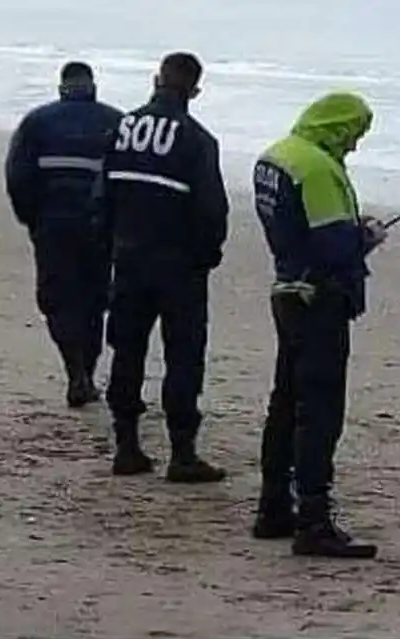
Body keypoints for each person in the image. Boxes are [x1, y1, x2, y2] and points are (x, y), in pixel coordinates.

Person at [249, 92, 390, 558]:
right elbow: (333, 247)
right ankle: (313, 519)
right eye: (353, 134)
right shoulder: (317, 168)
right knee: (320, 410)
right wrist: (366, 236)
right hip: (319, 300)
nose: (353, 146)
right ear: (336, 125)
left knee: (285, 402)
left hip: (286, 289)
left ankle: (272, 507)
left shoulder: (277, 155)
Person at [97, 52, 229, 482]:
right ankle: (182, 454)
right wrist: (207, 256)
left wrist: (111, 245)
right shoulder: (197, 140)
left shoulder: (121, 128)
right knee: (184, 357)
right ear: (194, 91)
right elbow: (212, 211)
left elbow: (100, 198)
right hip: (179, 267)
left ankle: (127, 445)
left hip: (129, 258)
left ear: (156, 80)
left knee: (127, 350)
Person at [4, 61, 123, 408]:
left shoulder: (37, 122)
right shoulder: (116, 122)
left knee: (57, 300)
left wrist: (32, 220)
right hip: (100, 227)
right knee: (94, 300)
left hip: (53, 224)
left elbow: (18, 177)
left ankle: (76, 372)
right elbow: (127, 178)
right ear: (93, 87)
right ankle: (85, 369)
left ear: (61, 88)